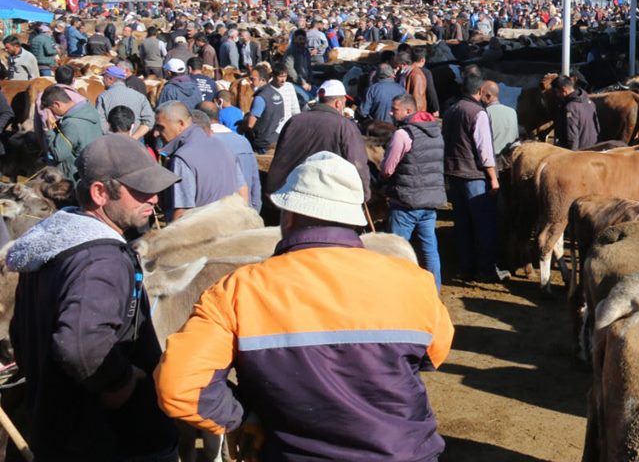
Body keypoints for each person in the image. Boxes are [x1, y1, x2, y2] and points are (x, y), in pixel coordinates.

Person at [155, 151, 454, 461]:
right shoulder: (413, 282)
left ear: (289, 215)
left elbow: (179, 385)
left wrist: (242, 416)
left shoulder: (238, 290)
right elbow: (435, 354)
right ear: (357, 218)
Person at [7, 135, 181, 461]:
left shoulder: (52, 244)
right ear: (100, 193)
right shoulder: (101, 259)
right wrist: (121, 382)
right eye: (141, 190)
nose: (155, 199)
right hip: (111, 439)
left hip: (57, 430)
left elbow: (20, 332)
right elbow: (81, 345)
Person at [442, 74, 507, 282]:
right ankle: (486, 269)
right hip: (473, 175)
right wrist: (493, 177)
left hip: (453, 173)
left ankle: (466, 267)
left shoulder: (451, 110)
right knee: (484, 224)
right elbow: (484, 150)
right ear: (479, 92)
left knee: (462, 224)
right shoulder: (478, 113)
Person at [266, 79, 370, 201]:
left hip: (290, 195)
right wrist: (364, 193)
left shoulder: (294, 121)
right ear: (338, 103)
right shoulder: (345, 126)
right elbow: (357, 163)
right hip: (325, 198)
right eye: (344, 102)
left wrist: (272, 189)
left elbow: (280, 156)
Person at [382, 93, 447, 286]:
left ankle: (398, 290)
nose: (390, 113)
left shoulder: (403, 134)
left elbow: (387, 169)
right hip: (430, 201)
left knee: (397, 250)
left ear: (408, 111)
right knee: (430, 249)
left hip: (406, 202)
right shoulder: (436, 131)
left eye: (394, 109)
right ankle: (433, 290)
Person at [153, 101, 247, 221]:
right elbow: (243, 189)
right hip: (230, 229)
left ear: (181, 124)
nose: (156, 133)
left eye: (160, 127)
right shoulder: (221, 145)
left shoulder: (182, 158)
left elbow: (182, 213)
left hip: (202, 234)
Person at [195, 103, 262, 212]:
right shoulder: (243, 141)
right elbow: (255, 181)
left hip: (214, 216)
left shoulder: (201, 143)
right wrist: (255, 209)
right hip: (245, 211)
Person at [43, 85, 103, 181]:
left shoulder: (70, 124)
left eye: (51, 109)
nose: (52, 113)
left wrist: (50, 130)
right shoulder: (89, 109)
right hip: (93, 167)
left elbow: (58, 154)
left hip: (75, 175)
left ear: (57, 104)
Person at [95, 65, 154, 140]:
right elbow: (149, 120)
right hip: (136, 141)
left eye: (104, 77)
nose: (103, 80)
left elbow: (100, 122)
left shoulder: (103, 97)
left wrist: (111, 136)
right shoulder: (140, 97)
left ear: (110, 78)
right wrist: (135, 137)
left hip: (112, 141)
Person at [552, 75, 599, 150]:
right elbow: (597, 127)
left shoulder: (570, 107)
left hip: (579, 152)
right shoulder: (590, 102)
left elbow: (572, 135)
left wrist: (572, 154)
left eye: (557, 92)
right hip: (592, 147)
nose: (557, 95)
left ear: (564, 90)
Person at [245, 66, 285, 153]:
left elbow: (250, 124)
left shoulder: (260, 98)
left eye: (253, 79)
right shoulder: (277, 95)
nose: (250, 82)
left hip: (262, 145)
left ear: (263, 80)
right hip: (276, 140)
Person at [481, 80, 519, 158]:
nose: (478, 97)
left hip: (492, 161)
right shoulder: (512, 112)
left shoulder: (484, 113)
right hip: (510, 159)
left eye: (480, 94)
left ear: (488, 96)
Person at [398, 49, 440, 116]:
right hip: (416, 110)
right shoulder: (424, 73)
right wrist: (435, 108)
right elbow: (430, 91)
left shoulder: (406, 70)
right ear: (423, 60)